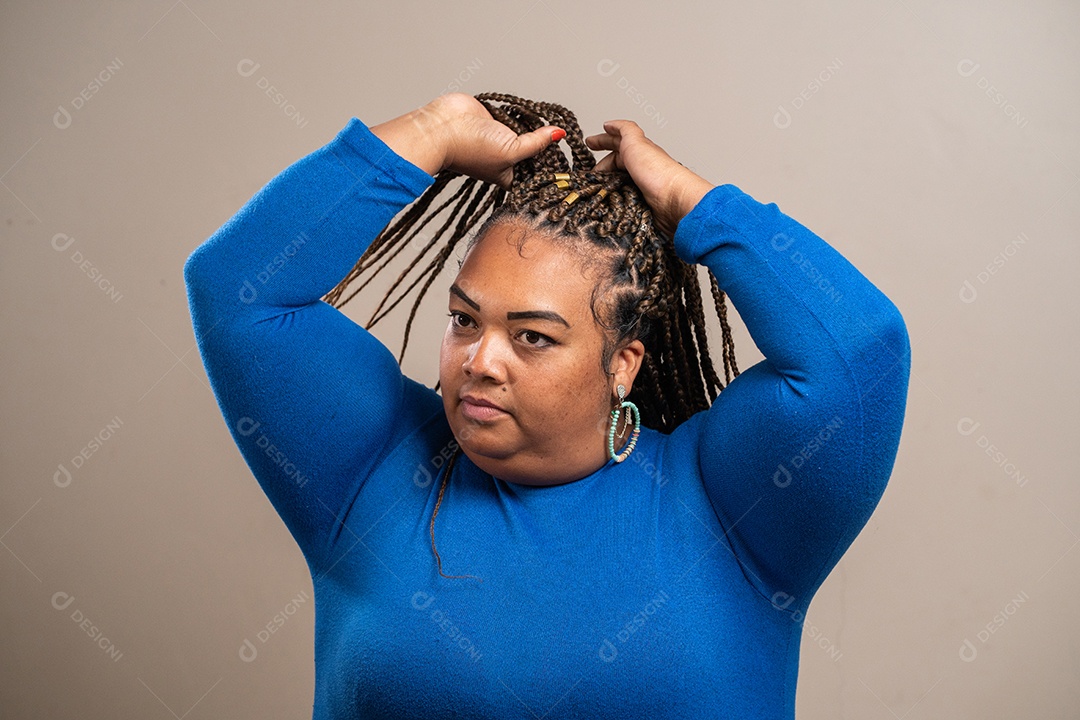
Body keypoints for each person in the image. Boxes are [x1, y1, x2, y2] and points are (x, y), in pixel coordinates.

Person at [184, 91, 910, 719]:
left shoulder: (731, 504)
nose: (480, 360)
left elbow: (860, 353)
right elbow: (236, 287)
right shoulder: (371, 469)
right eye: (465, 319)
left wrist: (695, 204)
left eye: (531, 336)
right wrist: (433, 130)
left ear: (622, 364)